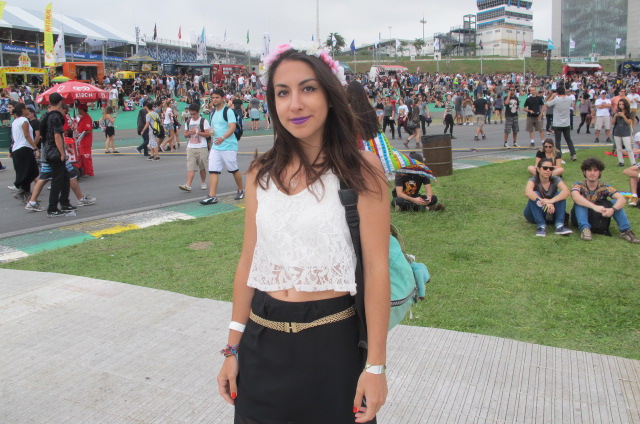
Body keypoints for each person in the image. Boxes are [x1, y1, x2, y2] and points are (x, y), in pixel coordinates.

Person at [216, 44, 389, 424]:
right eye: (282, 92)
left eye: (308, 88)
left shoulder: (362, 169)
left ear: (330, 94)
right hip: (261, 345)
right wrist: (232, 350)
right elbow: (249, 260)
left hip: (332, 347)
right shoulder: (260, 172)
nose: (295, 103)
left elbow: (377, 269)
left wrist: (375, 366)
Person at [571, 157, 639, 243]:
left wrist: (612, 210)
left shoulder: (605, 187)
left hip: (597, 218)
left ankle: (625, 231)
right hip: (579, 217)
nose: (592, 173)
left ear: (600, 172)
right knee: (580, 202)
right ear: (584, 172)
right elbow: (576, 197)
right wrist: (595, 207)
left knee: (615, 202)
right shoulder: (578, 185)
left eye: (595, 170)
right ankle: (585, 229)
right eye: (589, 170)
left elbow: (622, 199)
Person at [200, 89, 244, 204]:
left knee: (233, 169)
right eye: (213, 97)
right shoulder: (212, 112)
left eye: (217, 97)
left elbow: (232, 127)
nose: (214, 100)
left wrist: (223, 138)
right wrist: (211, 135)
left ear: (223, 98)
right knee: (213, 170)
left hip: (228, 146)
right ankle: (212, 196)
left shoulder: (228, 111)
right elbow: (213, 128)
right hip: (216, 146)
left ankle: (240, 189)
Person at [39, 93, 72, 217]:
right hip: (55, 151)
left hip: (48, 149)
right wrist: (62, 152)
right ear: (59, 103)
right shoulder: (55, 116)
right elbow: (57, 135)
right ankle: (52, 208)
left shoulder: (45, 115)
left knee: (64, 177)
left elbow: (42, 133)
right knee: (57, 180)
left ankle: (64, 202)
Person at [524, 157, 572, 237]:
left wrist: (551, 201)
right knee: (534, 194)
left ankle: (559, 226)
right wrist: (544, 202)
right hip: (532, 214)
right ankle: (541, 226)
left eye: (551, 168)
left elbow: (566, 192)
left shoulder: (555, 179)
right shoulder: (534, 179)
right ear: (538, 169)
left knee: (560, 194)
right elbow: (528, 193)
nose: (548, 170)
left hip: (550, 213)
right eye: (545, 168)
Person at [10, 103, 38, 201]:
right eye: (26, 108)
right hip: (24, 148)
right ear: (22, 110)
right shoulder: (24, 120)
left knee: (28, 171)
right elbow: (27, 135)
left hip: (17, 149)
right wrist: (35, 147)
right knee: (34, 171)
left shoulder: (15, 121)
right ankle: (22, 191)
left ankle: (26, 193)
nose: (27, 110)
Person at [179, 103, 209, 192]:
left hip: (202, 147)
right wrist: (189, 133)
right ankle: (188, 185)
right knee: (190, 167)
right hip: (190, 147)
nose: (192, 116)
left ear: (198, 112)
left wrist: (197, 132)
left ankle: (203, 182)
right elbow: (184, 134)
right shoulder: (188, 121)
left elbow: (208, 134)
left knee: (202, 167)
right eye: (191, 114)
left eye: (194, 114)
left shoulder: (204, 121)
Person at [546, 86, 577, 162]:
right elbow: (571, 105)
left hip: (557, 123)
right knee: (568, 139)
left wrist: (552, 97)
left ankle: (558, 156)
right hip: (566, 122)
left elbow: (547, 104)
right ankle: (573, 154)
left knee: (558, 141)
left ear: (557, 93)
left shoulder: (556, 99)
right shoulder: (569, 99)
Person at [611, 98, 636, 167]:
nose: (621, 106)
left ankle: (633, 162)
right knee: (618, 148)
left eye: (622, 104)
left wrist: (623, 116)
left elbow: (628, 123)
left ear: (625, 105)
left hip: (626, 132)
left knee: (628, 148)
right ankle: (621, 161)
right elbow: (612, 122)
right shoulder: (616, 112)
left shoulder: (630, 113)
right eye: (619, 104)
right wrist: (615, 116)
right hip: (617, 131)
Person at [76, 104, 95, 176]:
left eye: (79, 109)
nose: (78, 111)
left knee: (86, 156)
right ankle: (84, 171)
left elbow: (88, 130)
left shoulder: (87, 118)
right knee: (82, 156)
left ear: (83, 110)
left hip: (86, 141)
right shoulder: (82, 118)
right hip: (81, 141)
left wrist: (81, 134)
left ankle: (89, 172)